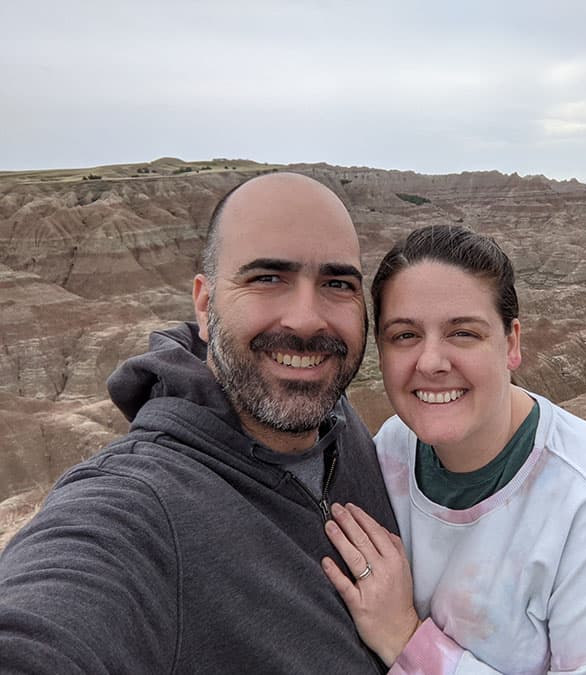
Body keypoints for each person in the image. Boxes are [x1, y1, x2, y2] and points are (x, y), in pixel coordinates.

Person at [0, 173, 398, 673]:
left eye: (337, 284)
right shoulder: (140, 509)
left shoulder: (335, 420)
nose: (307, 320)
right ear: (205, 305)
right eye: (267, 278)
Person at [321, 225, 586, 674]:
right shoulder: (392, 447)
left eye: (463, 333)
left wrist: (406, 639)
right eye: (405, 335)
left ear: (511, 344)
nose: (430, 362)